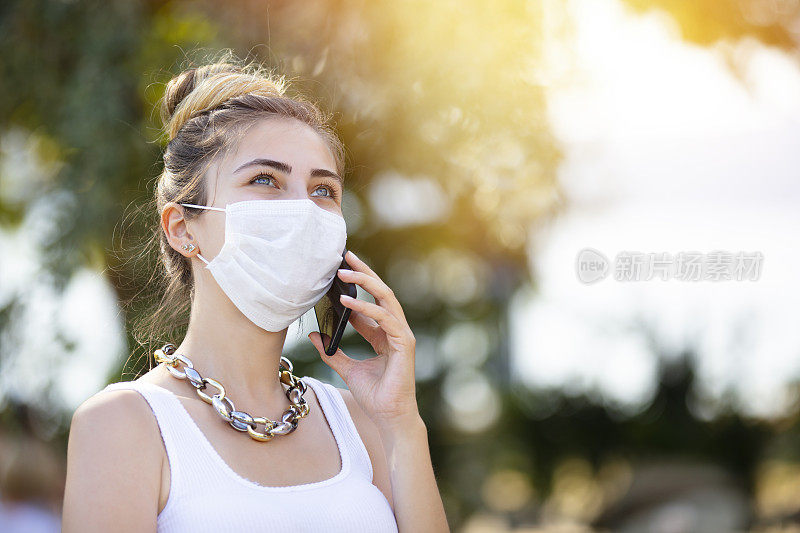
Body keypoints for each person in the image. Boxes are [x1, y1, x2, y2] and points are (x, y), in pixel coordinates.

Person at [61, 52, 449, 532]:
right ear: (183, 228)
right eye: (265, 179)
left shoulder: (363, 421)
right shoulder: (125, 424)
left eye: (323, 189)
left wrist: (402, 422)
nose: (303, 210)